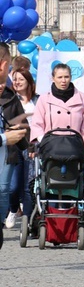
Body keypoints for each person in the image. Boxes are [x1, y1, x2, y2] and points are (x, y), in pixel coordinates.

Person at [31, 63, 84, 154]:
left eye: (66, 77)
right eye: (59, 77)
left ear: (71, 77)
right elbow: (36, 123)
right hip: (51, 148)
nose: (63, 80)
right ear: (53, 78)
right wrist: (43, 140)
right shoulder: (44, 99)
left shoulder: (82, 98)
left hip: (75, 148)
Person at [0, 43, 29, 234]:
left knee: (4, 190)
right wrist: (4, 137)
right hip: (4, 143)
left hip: (7, 155)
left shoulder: (11, 98)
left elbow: (24, 135)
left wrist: (21, 130)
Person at [7, 68, 37, 227]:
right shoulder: (9, 99)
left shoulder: (37, 101)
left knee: (28, 186)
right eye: (15, 79)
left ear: (28, 82)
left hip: (31, 146)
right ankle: (13, 209)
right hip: (13, 145)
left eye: (20, 79)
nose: (17, 82)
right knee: (13, 187)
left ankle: (27, 221)